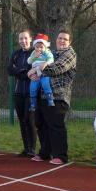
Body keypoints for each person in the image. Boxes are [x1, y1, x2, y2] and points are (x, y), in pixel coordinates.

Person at [29, 30, 76, 166]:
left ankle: (60, 155)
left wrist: (36, 70)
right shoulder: (51, 52)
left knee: (56, 126)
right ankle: (45, 152)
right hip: (43, 94)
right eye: (60, 38)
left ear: (69, 42)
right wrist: (32, 71)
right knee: (42, 124)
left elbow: (57, 68)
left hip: (58, 96)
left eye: (65, 39)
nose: (62, 41)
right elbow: (37, 61)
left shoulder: (70, 54)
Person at [6, 30, 37, 157]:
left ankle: (32, 149)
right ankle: (26, 148)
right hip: (18, 92)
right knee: (22, 121)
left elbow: (34, 69)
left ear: (30, 39)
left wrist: (20, 71)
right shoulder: (16, 54)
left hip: (31, 93)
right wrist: (23, 72)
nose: (23, 41)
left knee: (29, 120)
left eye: (25, 38)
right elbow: (10, 69)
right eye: (20, 39)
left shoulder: (35, 53)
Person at [26, 34, 55, 111]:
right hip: (35, 74)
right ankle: (33, 104)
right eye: (37, 47)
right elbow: (29, 61)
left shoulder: (47, 52)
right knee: (32, 88)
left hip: (43, 72)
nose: (39, 49)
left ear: (45, 47)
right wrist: (34, 57)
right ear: (34, 47)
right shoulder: (33, 53)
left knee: (46, 84)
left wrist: (46, 63)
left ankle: (50, 99)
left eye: (41, 47)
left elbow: (51, 59)